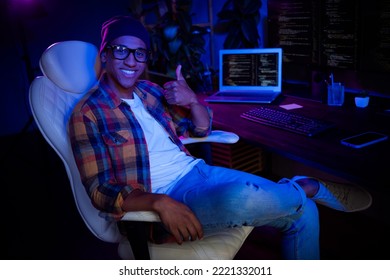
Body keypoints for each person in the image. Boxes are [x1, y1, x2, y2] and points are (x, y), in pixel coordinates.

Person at [68, 15, 372, 259]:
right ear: (105, 54)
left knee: (306, 213)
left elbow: (199, 129)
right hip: (165, 197)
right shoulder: (88, 113)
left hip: (198, 171)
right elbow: (99, 190)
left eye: (139, 53)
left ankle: (301, 192)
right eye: (121, 50)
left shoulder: (148, 92)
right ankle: (304, 186)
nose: (131, 61)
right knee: (244, 197)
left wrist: (192, 101)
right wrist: (159, 202)